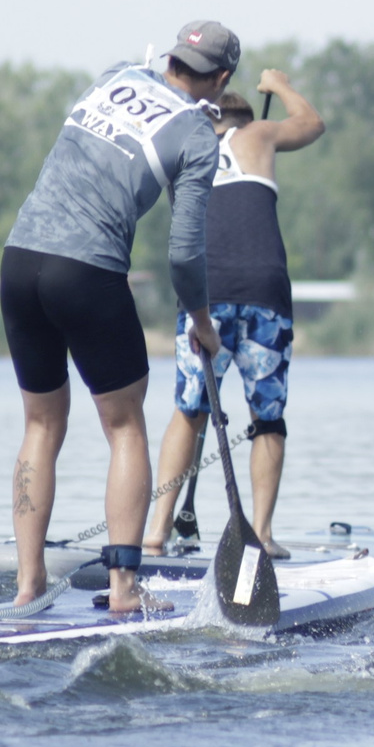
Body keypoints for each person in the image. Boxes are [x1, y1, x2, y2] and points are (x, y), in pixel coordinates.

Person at [0, 22, 236, 614]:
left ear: (174, 56)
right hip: (87, 271)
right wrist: (201, 322)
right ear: (223, 78)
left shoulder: (116, 76)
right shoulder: (199, 136)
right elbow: (184, 253)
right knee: (125, 426)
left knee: (40, 426)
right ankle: (126, 589)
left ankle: (28, 587)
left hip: (19, 261)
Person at [152, 67, 325, 557]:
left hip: (204, 296)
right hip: (264, 293)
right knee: (267, 418)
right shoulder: (260, 133)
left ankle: (155, 534)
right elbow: (311, 123)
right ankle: (263, 535)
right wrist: (279, 86)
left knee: (189, 411)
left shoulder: (183, 154)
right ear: (245, 120)